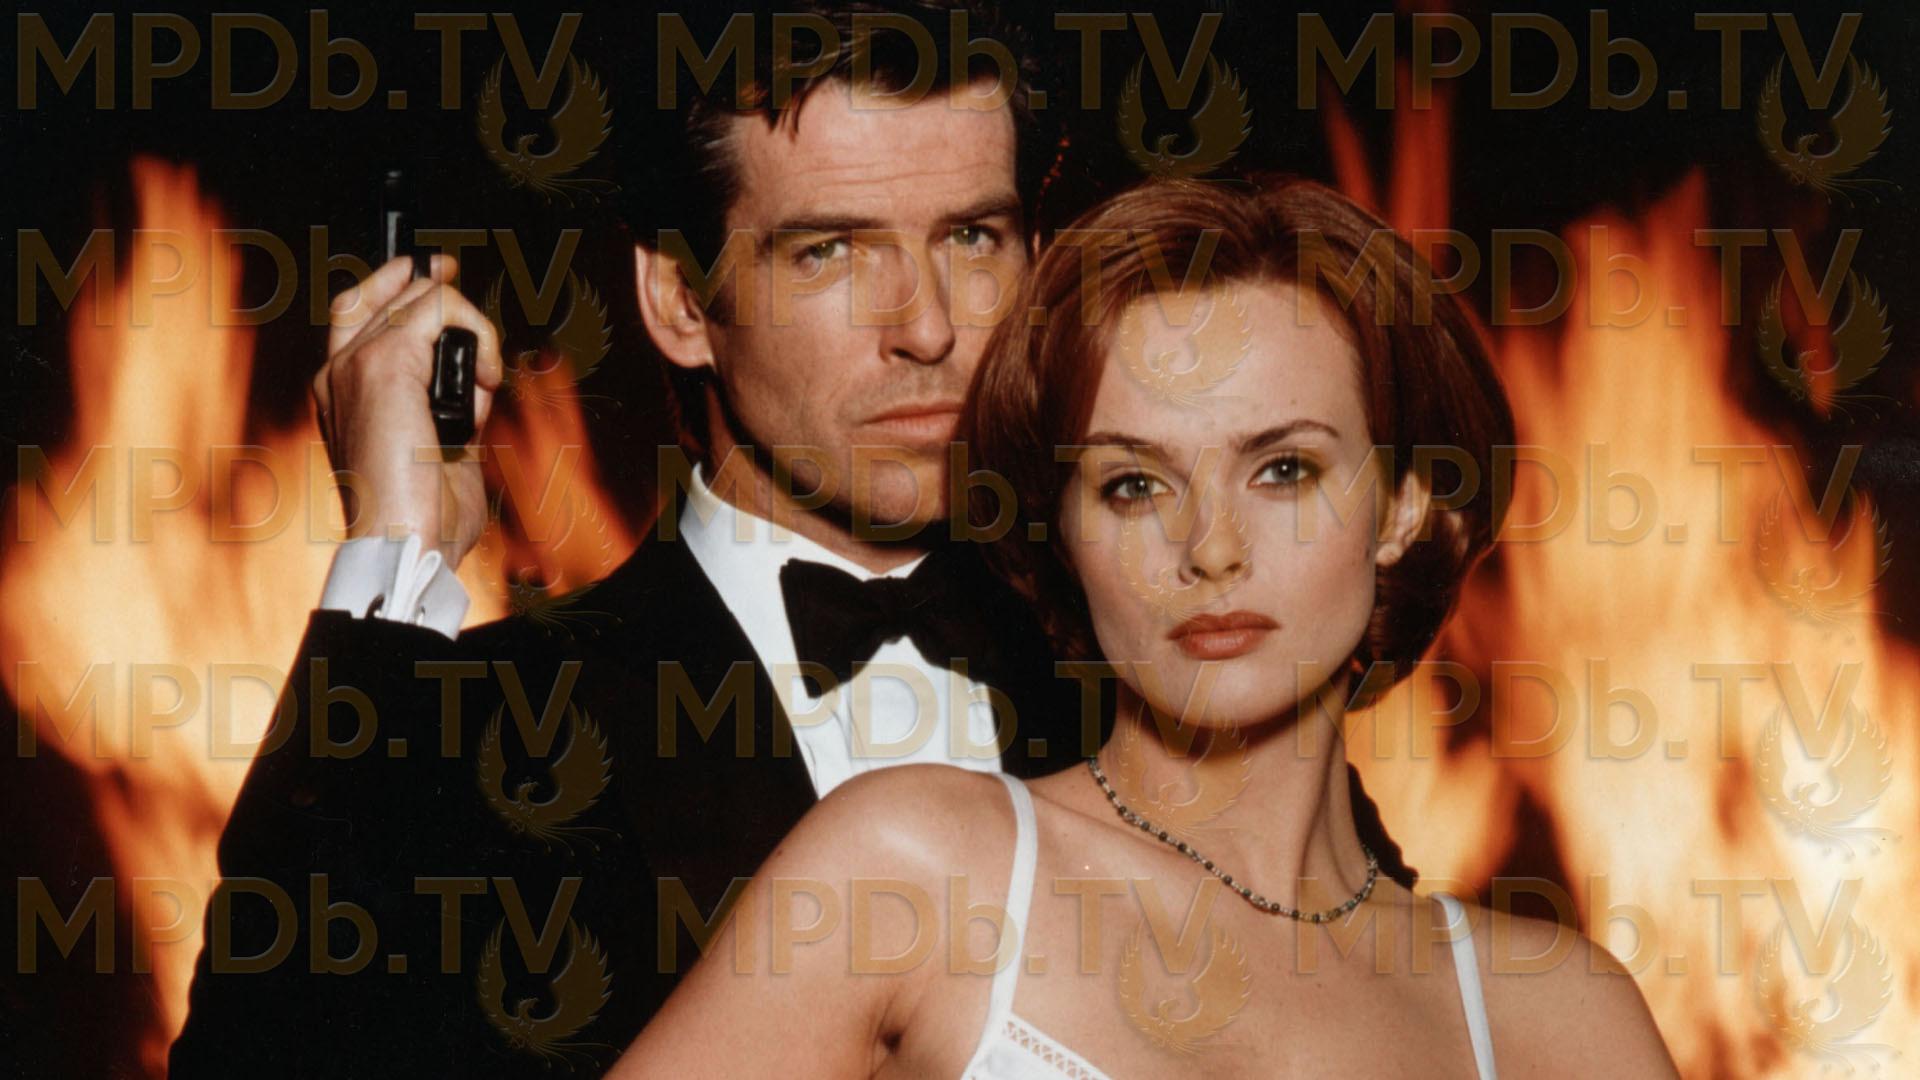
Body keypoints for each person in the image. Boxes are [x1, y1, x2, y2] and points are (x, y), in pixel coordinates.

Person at [169, 4, 1091, 1076]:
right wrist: (397, 542)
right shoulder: (483, 732)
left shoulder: (1137, 670)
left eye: (972, 238)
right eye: (831, 251)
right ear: (680, 302)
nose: (927, 327)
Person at [611, 176, 1680, 1077]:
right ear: (1062, 533)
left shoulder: (1557, 1015)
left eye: (1284, 470)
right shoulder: (914, 873)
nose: (1210, 548)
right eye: (1133, 485)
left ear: (1403, 507)